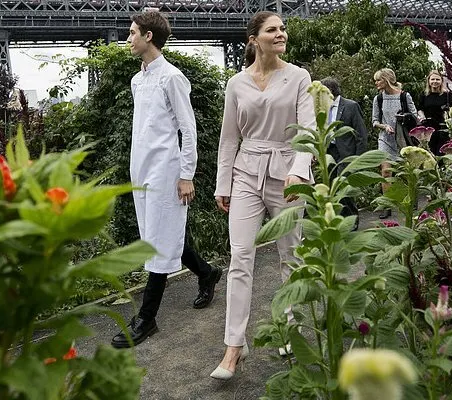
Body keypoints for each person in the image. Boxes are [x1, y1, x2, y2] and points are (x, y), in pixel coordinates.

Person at [211, 11, 315, 380]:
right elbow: (228, 138)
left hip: (288, 172)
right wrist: (223, 183)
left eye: (283, 28)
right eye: (273, 29)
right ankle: (234, 346)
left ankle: (292, 329)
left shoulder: (299, 76)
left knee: (292, 255)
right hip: (245, 172)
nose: (281, 33)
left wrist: (299, 170)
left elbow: (308, 129)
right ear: (254, 39)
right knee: (240, 256)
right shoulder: (236, 83)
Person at [110, 11, 222, 349]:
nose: (127, 39)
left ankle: (147, 318)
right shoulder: (137, 79)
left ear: (148, 36)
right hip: (141, 169)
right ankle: (206, 273)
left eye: (131, 33)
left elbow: (188, 130)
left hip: (167, 172)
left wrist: (186, 174)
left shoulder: (172, 77)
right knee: (162, 234)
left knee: (158, 241)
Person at [321, 77, 368, 230]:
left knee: (344, 189)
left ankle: (352, 220)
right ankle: (337, 220)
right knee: (331, 187)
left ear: (331, 92)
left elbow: (361, 134)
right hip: (329, 153)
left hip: (347, 153)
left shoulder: (351, 106)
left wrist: (358, 160)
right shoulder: (323, 107)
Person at [372, 68, 417, 219]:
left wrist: (403, 118)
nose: (376, 82)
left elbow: (415, 116)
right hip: (385, 139)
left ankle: (412, 200)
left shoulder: (404, 96)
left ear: (386, 80)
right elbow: (374, 121)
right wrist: (384, 126)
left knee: (406, 173)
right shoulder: (378, 99)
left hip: (403, 138)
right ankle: (387, 205)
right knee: (385, 172)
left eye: (378, 79)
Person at [417, 70, 452, 155]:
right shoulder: (423, 94)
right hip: (428, 126)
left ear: (441, 81)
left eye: (437, 79)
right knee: (429, 151)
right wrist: (422, 117)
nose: (435, 81)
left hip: (443, 126)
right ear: (429, 81)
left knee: (442, 151)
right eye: (432, 79)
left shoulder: (447, 95)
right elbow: (420, 108)